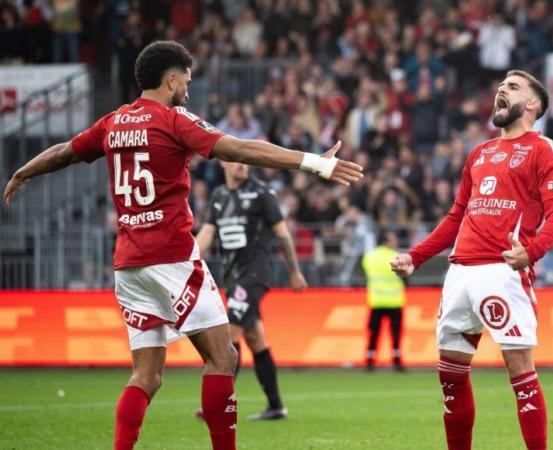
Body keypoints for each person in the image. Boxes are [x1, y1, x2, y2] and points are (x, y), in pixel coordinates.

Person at [2, 40, 362, 450]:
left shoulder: (113, 122)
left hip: (128, 265)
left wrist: (23, 171)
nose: (188, 90)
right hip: (172, 255)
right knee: (223, 356)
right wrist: (314, 162)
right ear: (170, 79)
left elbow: (66, 152)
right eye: (186, 81)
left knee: (147, 375)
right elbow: (239, 148)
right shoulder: (174, 120)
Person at [391, 69, 553, 450]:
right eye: (501, 86)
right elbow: (457, 216)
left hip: (501, 271)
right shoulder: (480, 153)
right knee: (450, 375)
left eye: (514, 87)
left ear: (533, 105)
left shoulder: (543, 149)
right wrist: (416, 256)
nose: (502, 90)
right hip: (459, 273)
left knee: (520, 370)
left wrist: (532, 251)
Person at [195, 160, 307, 421]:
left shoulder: (261, 192)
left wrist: (293, 270)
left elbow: (282, 233)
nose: (242, 166)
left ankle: (219, 405)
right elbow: (207, 235)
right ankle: (276, 406)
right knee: (255, 339)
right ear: (223, 163)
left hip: (255, 274)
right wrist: (188, 264)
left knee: (228, 332)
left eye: (245, 162)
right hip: (233, 277)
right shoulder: (219, 195)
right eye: (236, 161)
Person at [362, 230, 406, 372]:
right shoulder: (396, 256)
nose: (395, 241)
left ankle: (370, 360)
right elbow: (405, 275)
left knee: (374, 333)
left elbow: (366, 272)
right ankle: (397, 361)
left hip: (376, 301)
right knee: (395, 334)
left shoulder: (369, 257)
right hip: (394, 301)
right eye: (393, 239)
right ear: (386, 241)